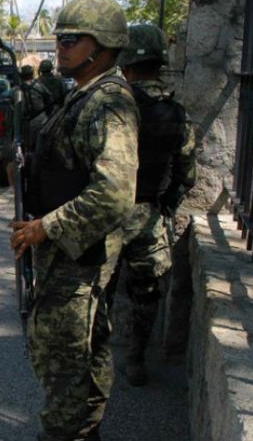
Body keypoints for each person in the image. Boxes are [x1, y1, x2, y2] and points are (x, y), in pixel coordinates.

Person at [9, 0, 139, 441]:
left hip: (76, 257)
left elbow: (115, 193)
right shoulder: (81, 96)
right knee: (84, 354)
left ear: (101, 47)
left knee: (64, 362)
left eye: (70, 40)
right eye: (59, 39)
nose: (60, 47)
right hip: (68, 253)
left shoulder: (107, 103)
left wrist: (47, 227)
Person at [108, 23, 197, 387]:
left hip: (106, 216)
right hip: (149, 218)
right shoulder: (176, 113)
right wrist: (164, 205)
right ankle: (135, 360)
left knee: (100, 287)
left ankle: (95, 357)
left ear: (126, 61)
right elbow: (187, 173)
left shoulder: (111, 107)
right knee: (145, 295)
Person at [20, 64, 54, 151]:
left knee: (26, 146)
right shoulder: (38, 86)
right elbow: (49, 98)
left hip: (24, 121)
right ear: (32, 75)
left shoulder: (17, 89)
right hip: (40, 119)